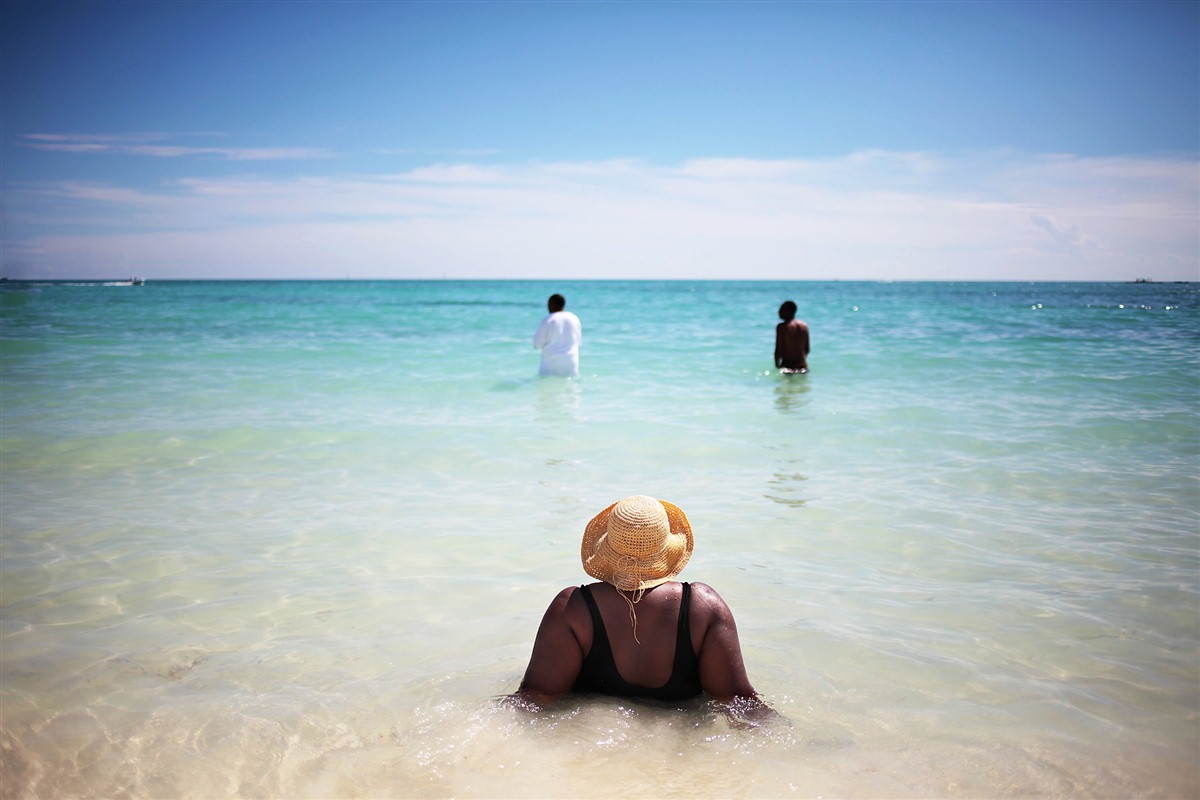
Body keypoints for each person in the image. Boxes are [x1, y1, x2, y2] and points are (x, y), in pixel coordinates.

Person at [513, 495, 770, 717]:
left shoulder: (572, 609)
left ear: (608, 544)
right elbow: (740, 703)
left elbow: (535, 699)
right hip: (677, 754)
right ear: (666, 546)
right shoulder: (703, 607)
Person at [532, 294, 582, 377]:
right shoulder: (574, 318)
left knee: (548, 387)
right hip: (571, 362)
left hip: (550, 363)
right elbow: (578, 341)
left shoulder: (549, 319)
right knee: (571, 388)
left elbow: (537, 344)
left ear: (551, 304)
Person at [775, 300, 810, 374]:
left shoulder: (782, 327)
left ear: (789, 311)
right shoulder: (804, 326)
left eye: (781, 310)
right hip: (802, 366)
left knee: (786, 385)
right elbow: (807, 349)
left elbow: (779, 348)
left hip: (787, 366)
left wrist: (777, 365)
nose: (779, 312)